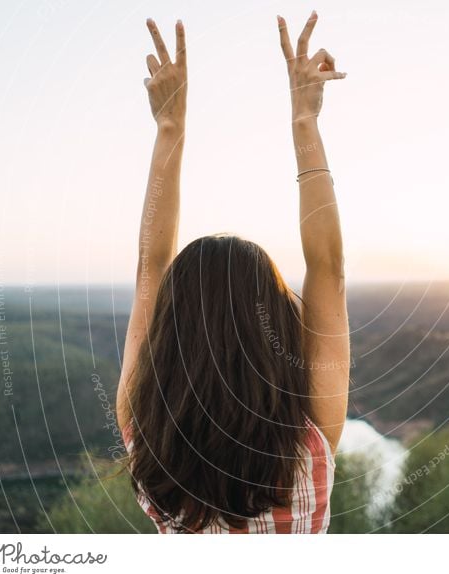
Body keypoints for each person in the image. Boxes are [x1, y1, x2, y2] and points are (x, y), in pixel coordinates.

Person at [115, 12, 349, 534]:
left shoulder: (144, 436)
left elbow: (150, 265)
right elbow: (327, 269)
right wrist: (305, 121)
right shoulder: (308, 443)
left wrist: (170, 127)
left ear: (171, 328)